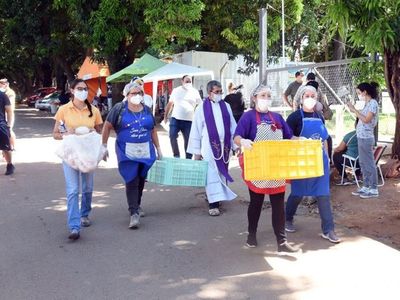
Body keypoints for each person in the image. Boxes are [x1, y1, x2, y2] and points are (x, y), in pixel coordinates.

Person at [233, 85, 299, 252]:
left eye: (269, 95)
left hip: (276, 168)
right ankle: (251, 235)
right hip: (257, 168)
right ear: (254, 98)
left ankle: (282, 243)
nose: (266, 98)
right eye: (263, 95)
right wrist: (243, 142)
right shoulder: (248, 117)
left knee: (278, 205)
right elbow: (237, 137)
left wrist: (303, 141)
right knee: (256, 203)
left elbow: (289, 136)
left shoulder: (277, 117)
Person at [102, 82, 162, 229]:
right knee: (132, 178)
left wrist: (159, 148)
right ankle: (133, 212)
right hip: (126, 151)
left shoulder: (147, 110)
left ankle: (137, 204)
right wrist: (103, 146)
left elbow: (153, 130)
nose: (137, 96)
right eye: (133, 93)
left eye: (139, 93)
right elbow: (107, 126)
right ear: (127, 95)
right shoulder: (119, 109)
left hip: (145, 150)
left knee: (141, 178)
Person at [285, 85, 340, 244]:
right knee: (297, 193)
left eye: (313, 96)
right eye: (306, 95)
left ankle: (328, 230)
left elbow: (324, 139)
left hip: (319, 161)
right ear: (301, 99)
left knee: (323, 194)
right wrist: (299, 141)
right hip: (301, 161)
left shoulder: (320, 116)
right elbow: (286, 138)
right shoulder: (294, 117)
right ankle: (288, 218)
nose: (310, 98)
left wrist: (328, 158)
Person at [53, 79, 103, 240]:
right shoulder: (63, 110)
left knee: (87, 188)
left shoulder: (94, 110)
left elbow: (99, 133)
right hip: (70, 156)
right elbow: (55, 134)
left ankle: (84, 214)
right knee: (73, 190)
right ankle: (74, 226)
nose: (83, 91)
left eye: (85, 89)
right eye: (79, 88)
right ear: (72, 90)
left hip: (88, 156)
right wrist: (67, 133)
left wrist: (91, 134)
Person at [187, 80, 237, 216]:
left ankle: (218, 197)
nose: (219, 94)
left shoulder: (226, 106)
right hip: (209, 146)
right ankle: (213, 204)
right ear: (209, 93)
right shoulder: (201, 108)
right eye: (217, 92)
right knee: (212, 173)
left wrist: (235, 145)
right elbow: (196, 130)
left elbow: (232, 126)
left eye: (221, 92)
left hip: (224, 145)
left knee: (222, 171)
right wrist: (196, 152)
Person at [347, 82, 380, 198]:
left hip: (366, 138)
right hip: (361, 137)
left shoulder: (373, 103)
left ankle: (373, 188)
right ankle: (366, 186)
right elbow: (362, 117)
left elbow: (366, 119)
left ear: (365, 92)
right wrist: (354, 109)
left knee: (369, 163)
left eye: (359, 93)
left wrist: (354, 110)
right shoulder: (367, 104)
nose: (358, 95)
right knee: (363, 162)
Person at [164, 75, 202, 159]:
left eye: (189, 81)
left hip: (189, 120)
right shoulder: (176, 90)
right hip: (175, 118)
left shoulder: (195, 92)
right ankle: (176, 155)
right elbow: (170, 103)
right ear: (182, 81)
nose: (188, 83)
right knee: (172, 135)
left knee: (188, 140)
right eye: (186, 81)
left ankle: (188, 157)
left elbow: (200, 105)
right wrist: (165, 116)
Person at [0, 87, 14, 175]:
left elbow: (9, 111)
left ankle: (9, 164)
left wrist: (9, 125)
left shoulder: (2, 95)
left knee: (5, 148)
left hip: (1, 124)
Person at [0, 77, 16, 151]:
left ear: (7, 84)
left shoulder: (10, 93)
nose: (1, 85)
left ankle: (12, 146)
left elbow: (11, 106)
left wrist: (9, 115)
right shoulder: (3, 92)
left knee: (9, 130)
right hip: (4, 114)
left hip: (8, 113)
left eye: (2, 84)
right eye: (0, 83)